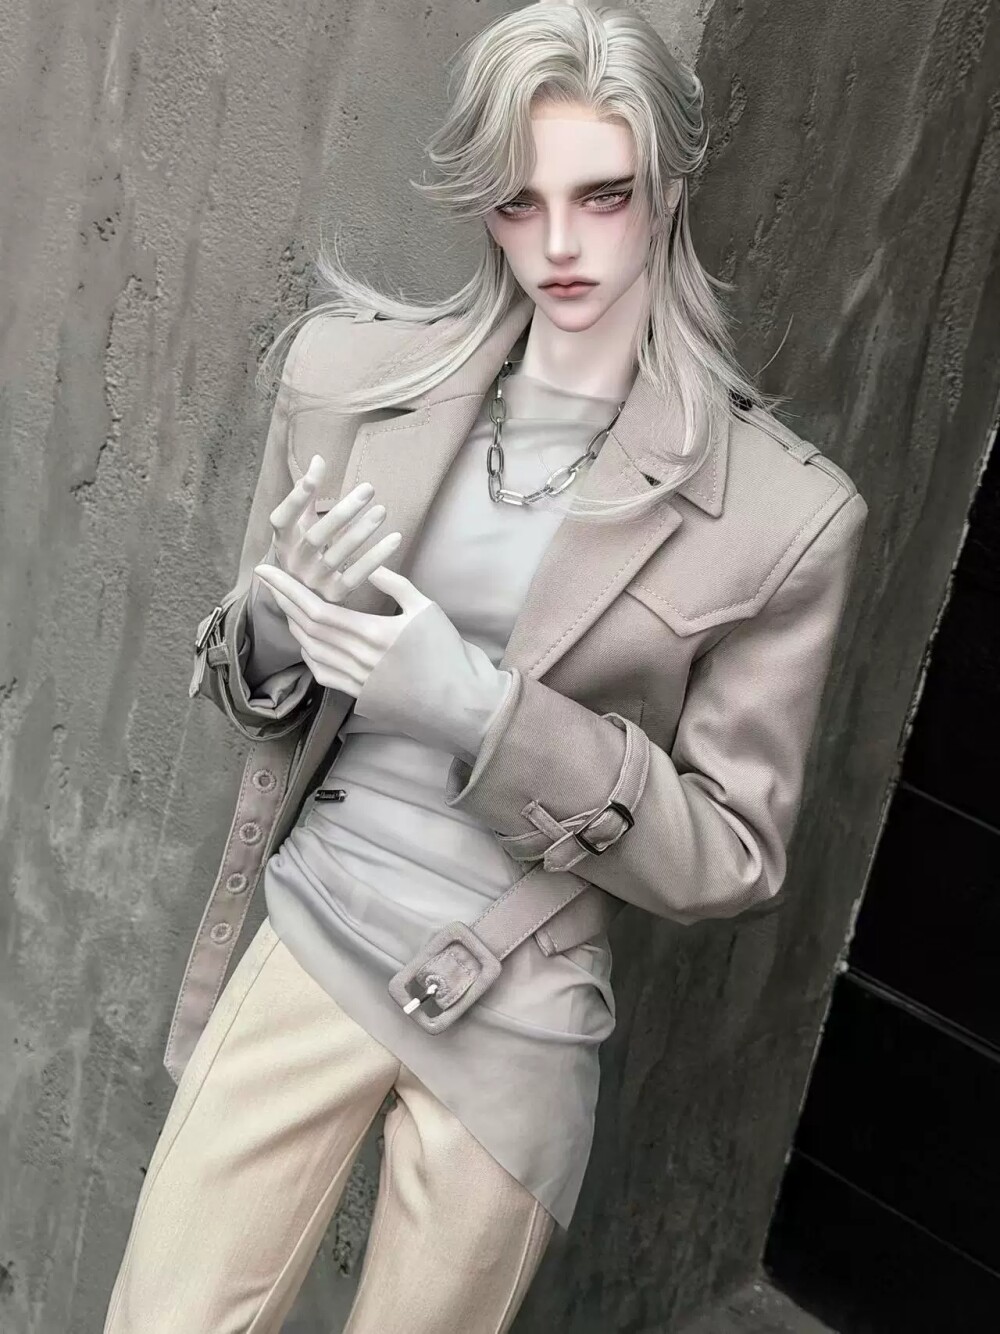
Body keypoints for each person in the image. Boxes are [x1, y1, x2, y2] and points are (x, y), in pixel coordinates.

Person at [102, 2, 868, 1331]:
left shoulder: (785, 516)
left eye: (602, 194)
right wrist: (283, 615)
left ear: (670, 188)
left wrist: (477, 708)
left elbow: (732, 855)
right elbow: (249, 687)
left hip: (519, 1000)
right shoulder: (347, 380)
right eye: (520, 201)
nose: (561, 244)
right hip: (316, 931)